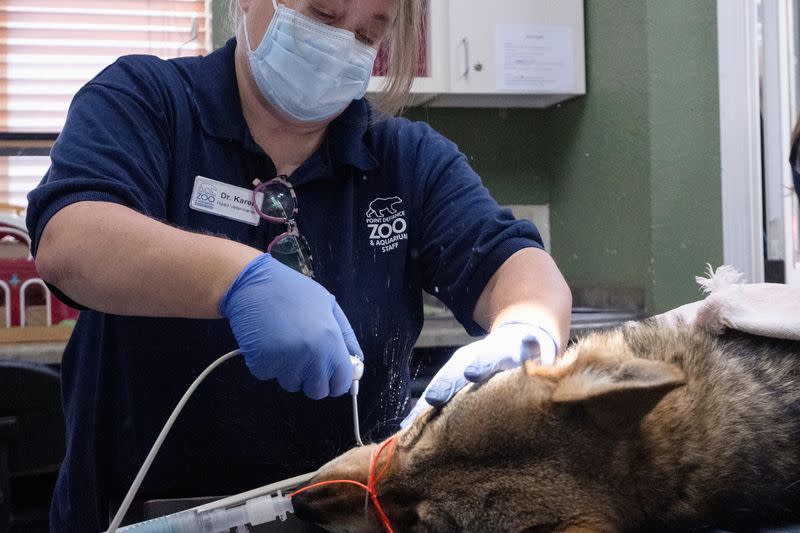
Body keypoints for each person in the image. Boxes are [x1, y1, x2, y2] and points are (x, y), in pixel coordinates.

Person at [26, 0, 572, 530]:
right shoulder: (147, 102)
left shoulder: (406, 161)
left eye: (367, 35)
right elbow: (69, 239)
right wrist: (237, 280)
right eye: (323, 15)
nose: (339, 46)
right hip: (144, 513)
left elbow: (513, 264)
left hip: (348, 515)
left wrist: (529, 327)